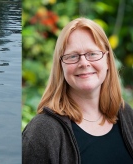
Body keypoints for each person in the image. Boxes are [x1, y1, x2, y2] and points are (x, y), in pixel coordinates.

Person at [22, 17, 133, 164]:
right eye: (73, 56)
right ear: (60, 66)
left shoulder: (125, 114)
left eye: (92, 54)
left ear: (107, 60)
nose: (84, 63)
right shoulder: (42, 132)